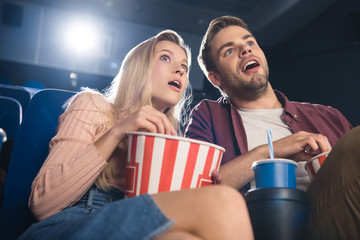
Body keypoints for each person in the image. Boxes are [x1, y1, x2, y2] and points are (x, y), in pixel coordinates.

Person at [19, 30, 254, 240]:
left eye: (184, 67)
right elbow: (43, 204)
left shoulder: (172, 140)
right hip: (66, 225)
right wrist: (118, 131)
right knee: (225, 200)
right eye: (165, 58)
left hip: (134, 228)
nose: (180, 71)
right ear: (139, 68)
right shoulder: (94, 105)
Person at [184, 15, 360, 239]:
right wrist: (272, 150)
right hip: (277, 227)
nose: (245, 51)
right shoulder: (208, 115)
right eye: (229, 50)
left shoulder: (328, 116)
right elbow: (193, 193)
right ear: (215, 78)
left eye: (249, 43)